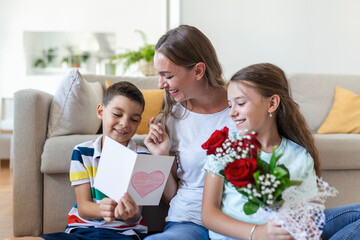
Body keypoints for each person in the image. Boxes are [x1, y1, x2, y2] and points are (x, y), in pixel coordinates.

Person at [200, 63, 360, 240]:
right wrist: (257, 233)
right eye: (230, 105)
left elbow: (303, 221)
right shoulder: (227, 146)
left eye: (240, 103)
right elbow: (208, 214)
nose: (232, 112)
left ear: (272, 103)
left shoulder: (299, 156)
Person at [12, 81, 149, 240]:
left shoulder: (142, 158)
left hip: (123, 234)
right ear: (100, 111)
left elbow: (136, 214)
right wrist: (103, 209)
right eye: (117, 114)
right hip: (81, 230)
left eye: (134, 119)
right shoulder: (82, 152)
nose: (125, 123)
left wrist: (129, 214)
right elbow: (83, 207)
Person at [143, 25, 237, 240]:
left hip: (237, 221)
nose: (160, 84)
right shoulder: (172, 119)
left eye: (167, 75)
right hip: (189, 223)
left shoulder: (241, 108)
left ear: (198, 71)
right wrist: (161, 157)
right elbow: (172, 196)